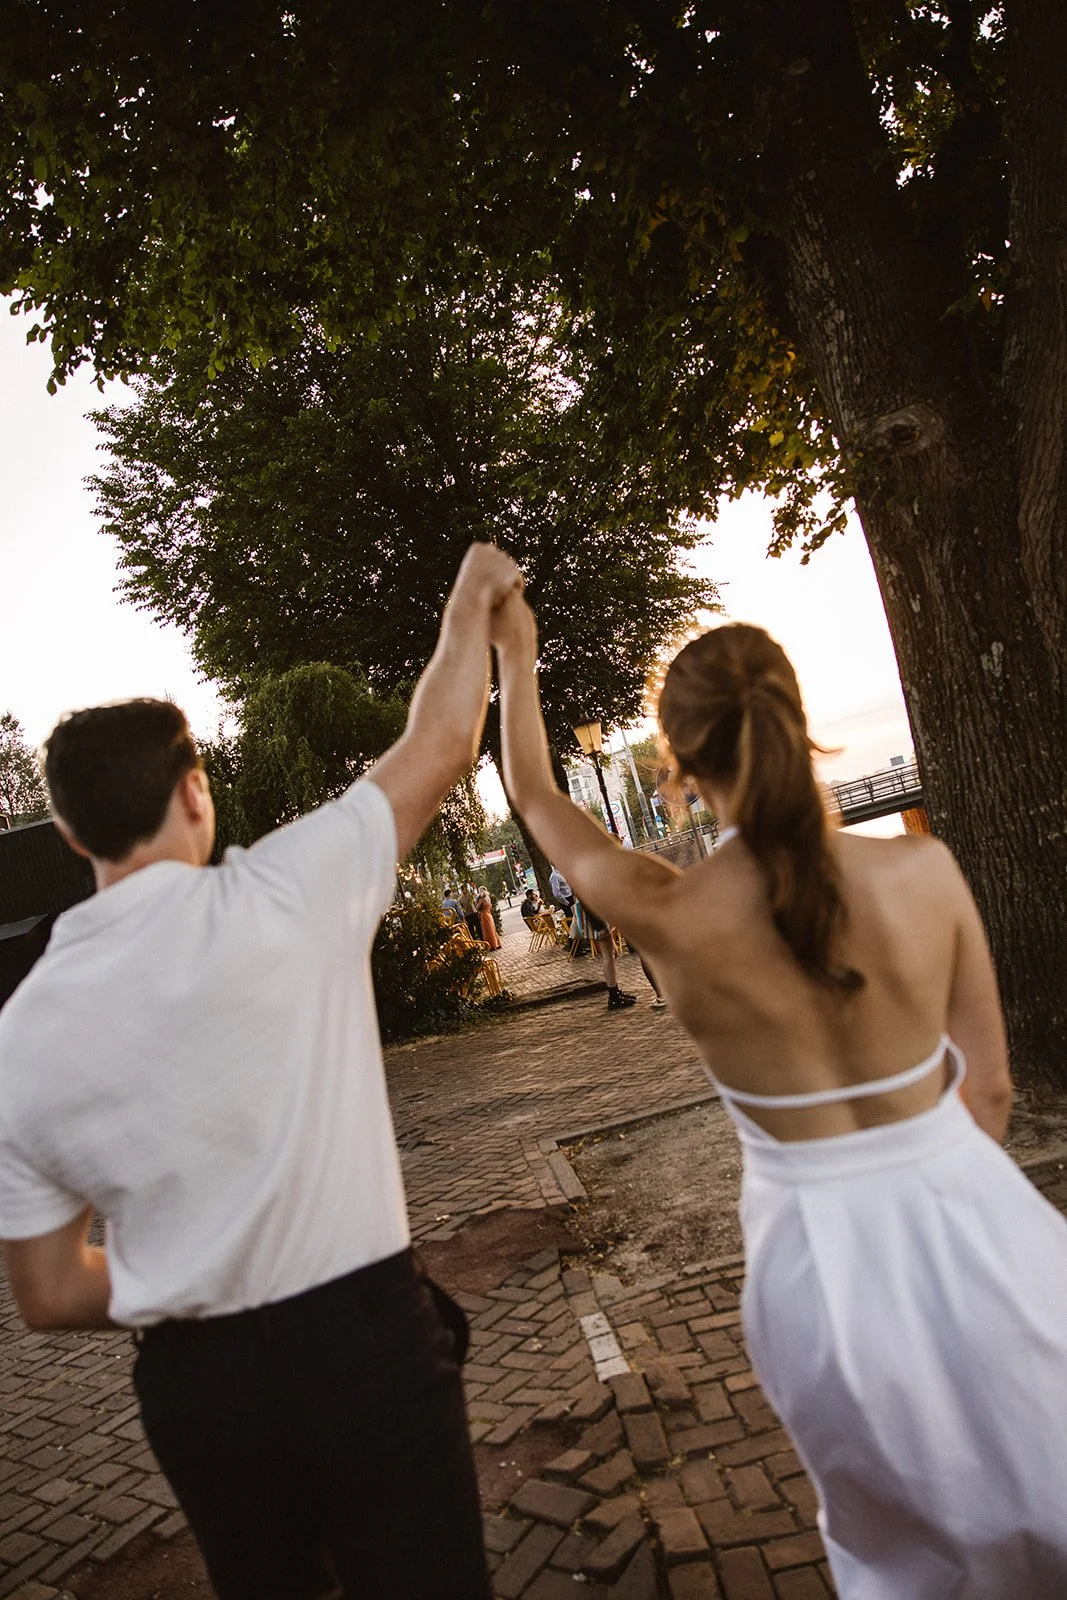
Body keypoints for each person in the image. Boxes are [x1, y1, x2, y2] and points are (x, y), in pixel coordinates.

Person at [493, 595, 1067, 1598]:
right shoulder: (923, 869)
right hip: (973, 1218)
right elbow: (989, 1087)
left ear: (680, 763)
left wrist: (515, 653)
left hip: (813, 1267)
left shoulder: (671, 912)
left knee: (901, 1546)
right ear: (797, 722)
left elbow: (537, 793)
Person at [0, 542, 524, 1600]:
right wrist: (471, 597)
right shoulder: (288, 891)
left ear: (68, 831)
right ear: (195, 793)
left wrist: (185, 1275)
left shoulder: (18, 1035)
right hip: (366, 1346)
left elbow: (48, 1294)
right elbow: (441, 739)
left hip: (201, 1390)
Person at [577, 900, 636, 1011]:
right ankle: (614, 995)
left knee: (610, 955)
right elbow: (586, 902)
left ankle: (615, 992)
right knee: (608, 956)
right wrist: (599, 927)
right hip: (597, 920)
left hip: (597, 919)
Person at [475, 885, 501, 950]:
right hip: (489, 914)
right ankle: (497, 943)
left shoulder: (482, 899)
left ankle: (492, 945)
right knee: (492, 929)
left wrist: (477, 903)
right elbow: (491, 907)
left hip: (484, 914)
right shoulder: (488, 898)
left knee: (487, 930)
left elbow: (477, 907)